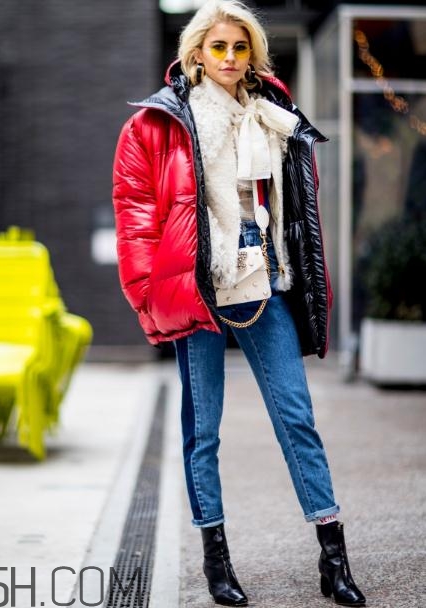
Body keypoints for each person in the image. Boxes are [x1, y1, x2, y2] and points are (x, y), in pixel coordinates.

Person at [112, 1, 366, 606]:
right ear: (197, 52)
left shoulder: (274, 115)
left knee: (296, 417)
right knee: (203, 432)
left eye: (240, 46)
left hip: (263, 280)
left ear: (252, 54)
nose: (229, 57)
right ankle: (216, 561)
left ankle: (333, 557)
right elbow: (136, 216)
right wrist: (149, 295)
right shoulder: (156, 125)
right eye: (218, 46)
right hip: (197, 284)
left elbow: (297, 206)